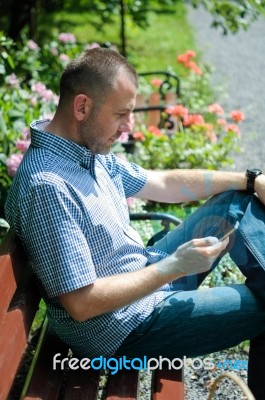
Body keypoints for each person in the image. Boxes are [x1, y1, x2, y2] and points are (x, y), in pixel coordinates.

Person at [5, 47, 265, 398]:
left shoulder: (87, 153)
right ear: (81, 107)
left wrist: (250, 179)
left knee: (236, 201)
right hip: (123, 329)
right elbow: (81, 304)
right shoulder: (48, 186)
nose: (129, 128)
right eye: (121, 115)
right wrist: (173, 267)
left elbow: (163, 184)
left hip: (145, 281)